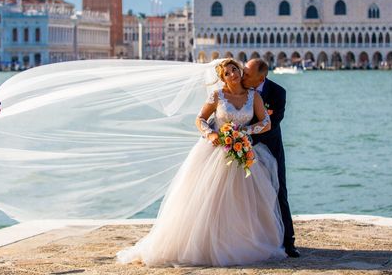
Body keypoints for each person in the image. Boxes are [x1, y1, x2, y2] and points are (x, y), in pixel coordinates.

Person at [117, 58, 286, 266]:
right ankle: (205, 244)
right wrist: (210, 134)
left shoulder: (254, 96)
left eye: (235, 69)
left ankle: (238, 242)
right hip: (215, 152)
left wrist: (244, 132)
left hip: (242, 151)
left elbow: (266, 123)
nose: (232, 74)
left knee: (241, 201)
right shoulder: (217, 95)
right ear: (222, 78)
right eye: (227, 73)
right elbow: (200, 119)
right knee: (209, 200)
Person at [242, 58, 300, 258]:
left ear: (262, 76)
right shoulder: (241, 86)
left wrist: (247, 136)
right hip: (242, 148)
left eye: (248, 74)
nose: (244, 76)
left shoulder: (278, 93)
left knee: (279, 190)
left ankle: (288, 241)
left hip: (270, 146)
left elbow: (273, 123)